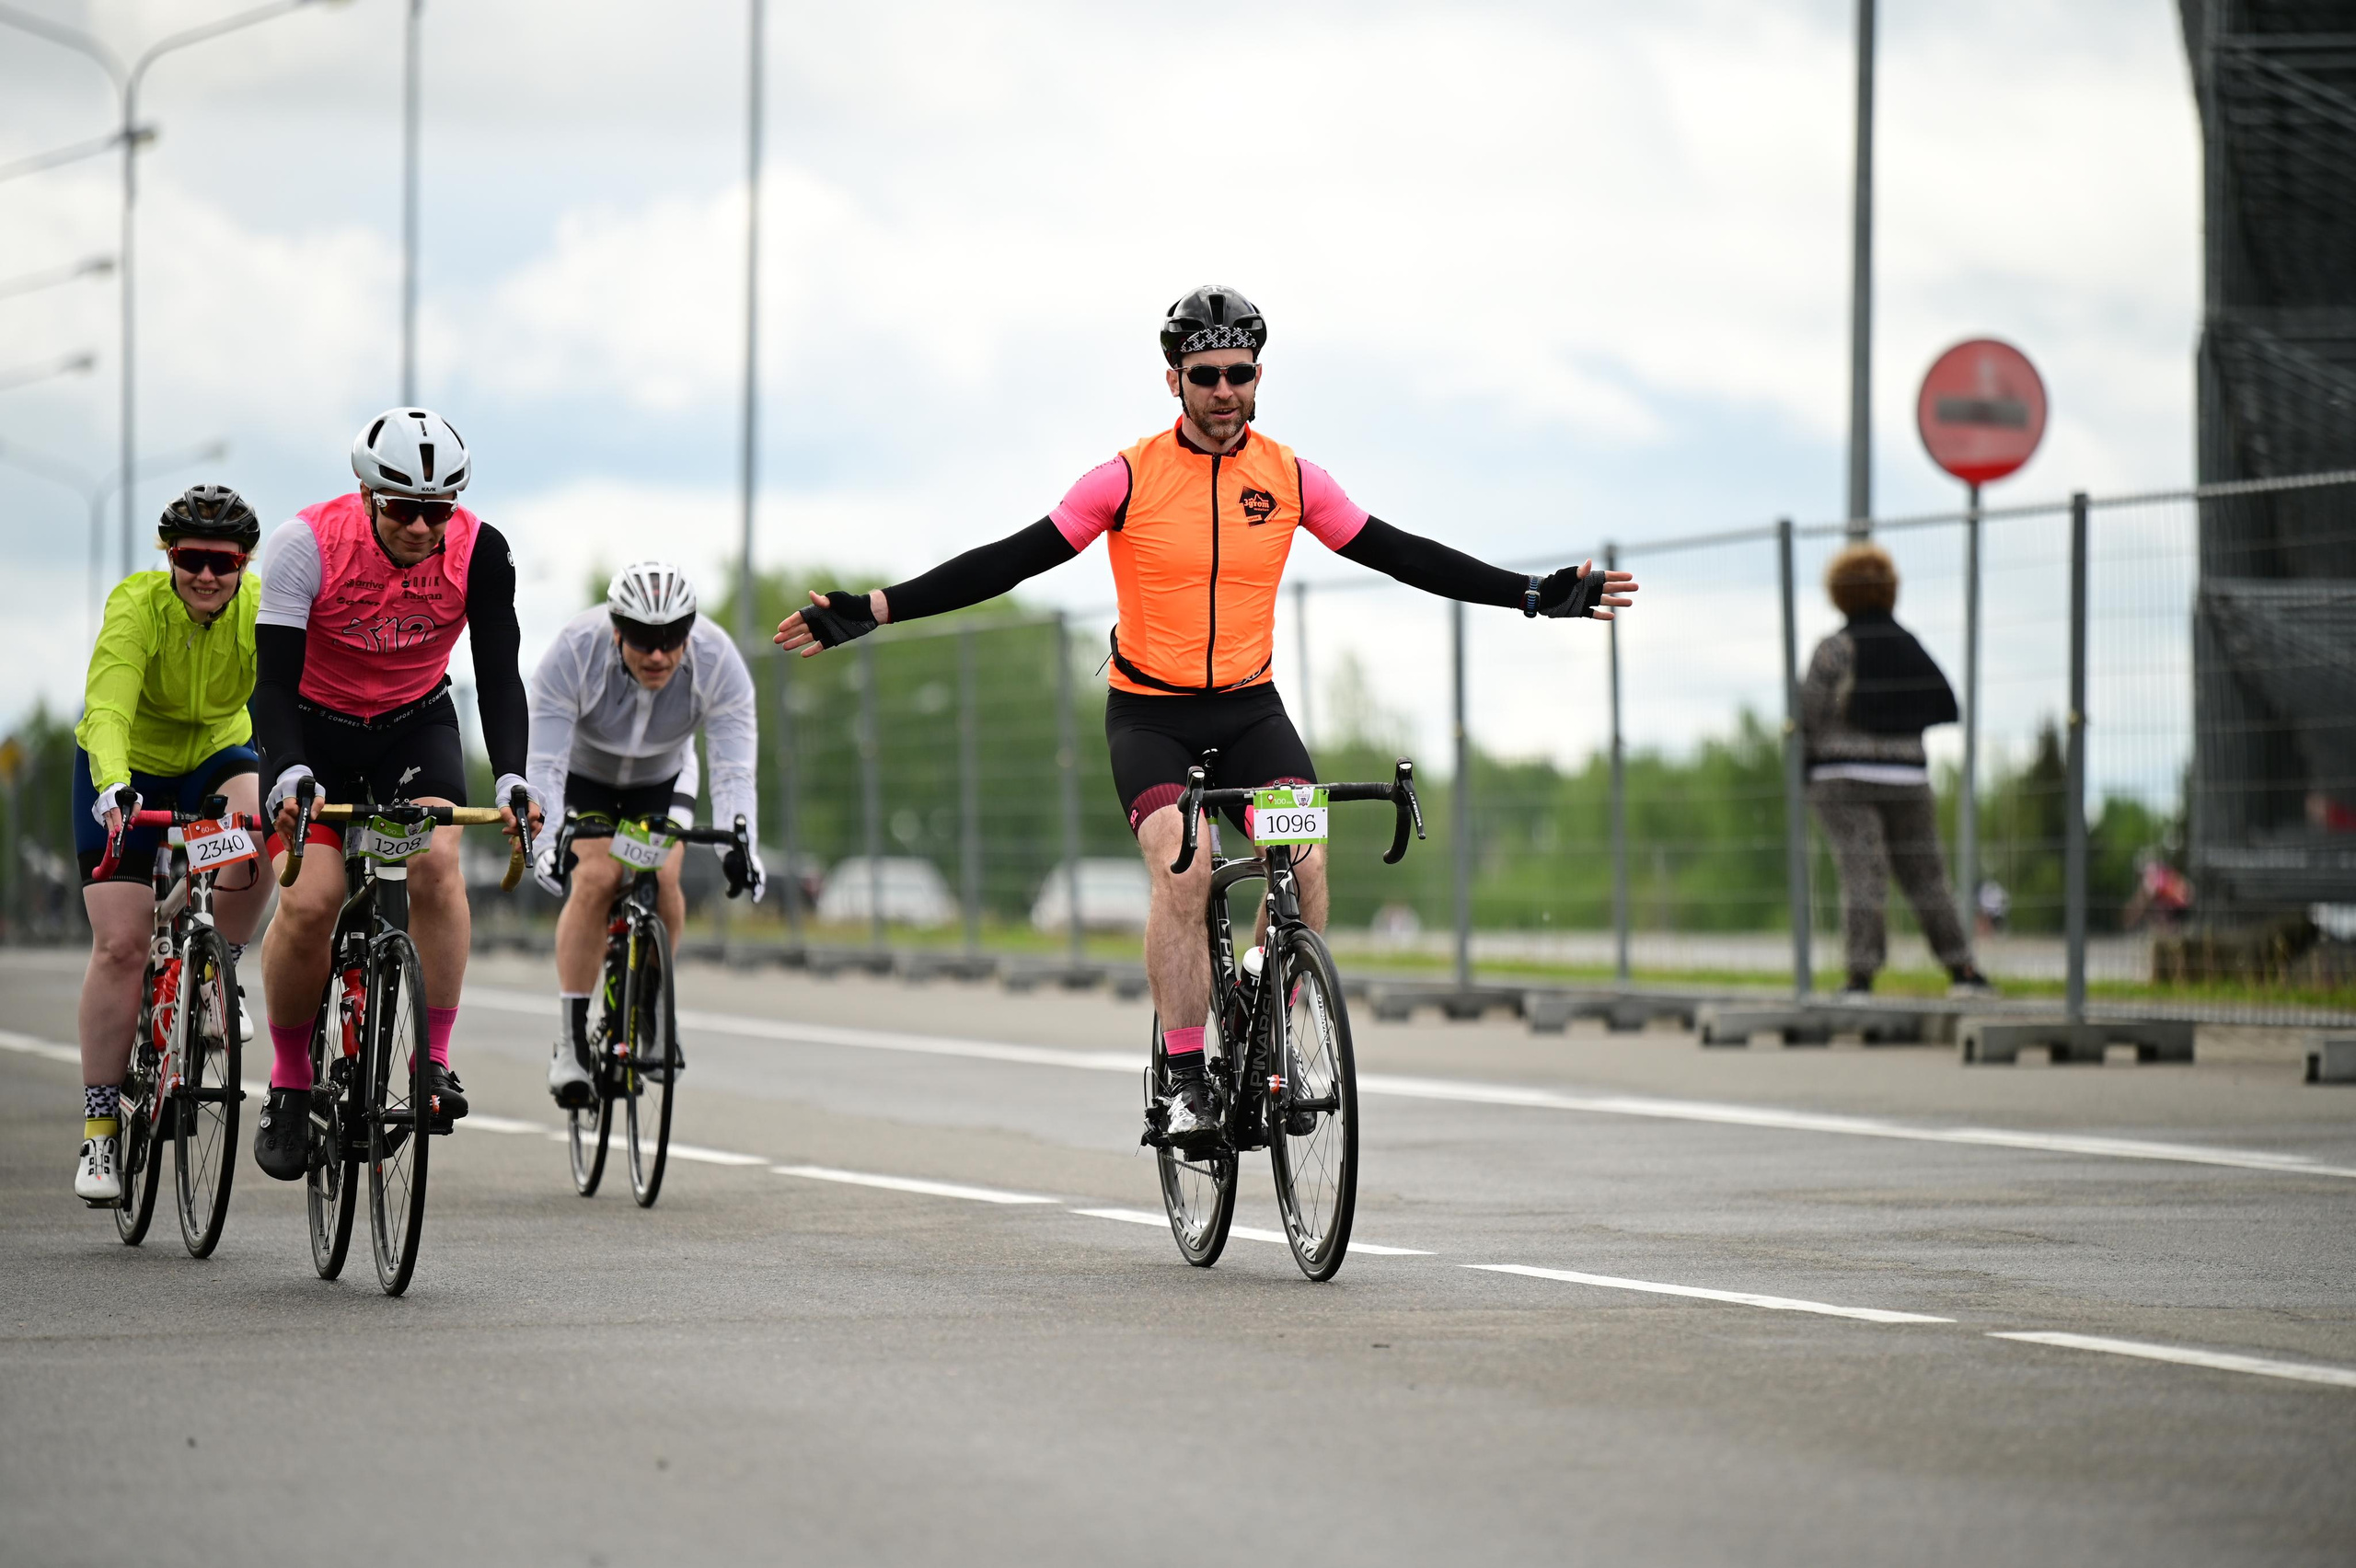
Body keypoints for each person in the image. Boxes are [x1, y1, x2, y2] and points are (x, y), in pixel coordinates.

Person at [776, 285, 1637, 1140]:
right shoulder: (1126, 479)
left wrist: (1532, 593)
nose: (1225, 391)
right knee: (1185, 871)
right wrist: (877, 609)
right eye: (1206, 376)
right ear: (1174, 381)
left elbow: (1401, 553)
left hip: (1250, 711)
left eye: (1241, 373)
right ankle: (1186, 1078)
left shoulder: (1291, 478)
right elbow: (1013, 559)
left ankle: (1262, 1008)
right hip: (1150, 718)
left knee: (1303, 864)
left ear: (1258, 376)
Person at [250, 408, 541, 1180]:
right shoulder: (305, 544)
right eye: (404, 509)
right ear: (366, 494)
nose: (420, 527)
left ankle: (432, 1061)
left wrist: (513, 775)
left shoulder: (482, 551)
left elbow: (500, 675)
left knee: (437, 865)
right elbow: (271, 684)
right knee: (310, 903)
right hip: (310, 728)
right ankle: (289, 1078)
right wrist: (288, 768)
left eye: (436, 511)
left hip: (413, 725)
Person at [69, 486, 271, 1205]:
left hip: (217, 756)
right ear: (170, 557)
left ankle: (218, 969)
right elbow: (109, 703)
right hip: (132, 769)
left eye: (224, 562)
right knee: (121, 946)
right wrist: (114, 786)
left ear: (244, 563)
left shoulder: (259, 609)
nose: (207, 575)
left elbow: (291, 695)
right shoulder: (137, 605)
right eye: (191, 559)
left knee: (253, 833)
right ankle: (100, 1131)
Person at [528, 561, 764, 1106]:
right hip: (585, 776)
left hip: (662, 779)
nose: (658, 655)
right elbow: (544, 763)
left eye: (672, 639)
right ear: (616, 631)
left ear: (690, 631)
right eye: (642, 640)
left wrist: (740, 845)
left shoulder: (718, 660)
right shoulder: (575, 649)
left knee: (662, 873)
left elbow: (733, 770)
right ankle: (571, 1044)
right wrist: (547, 842)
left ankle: (653, 1007)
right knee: (598, 877)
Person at [1800, 543, 1993, 998]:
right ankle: (1963, 970)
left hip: (1842, 779)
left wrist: (1805, 770)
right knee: (1927, 875)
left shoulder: (1834, 649)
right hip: (1908, 778)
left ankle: (1860, 978)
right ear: (1890, 589)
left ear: (1838, 591)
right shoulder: (1910, 646)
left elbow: (1808, 714)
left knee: (1863, 873)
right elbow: (1941, 699)